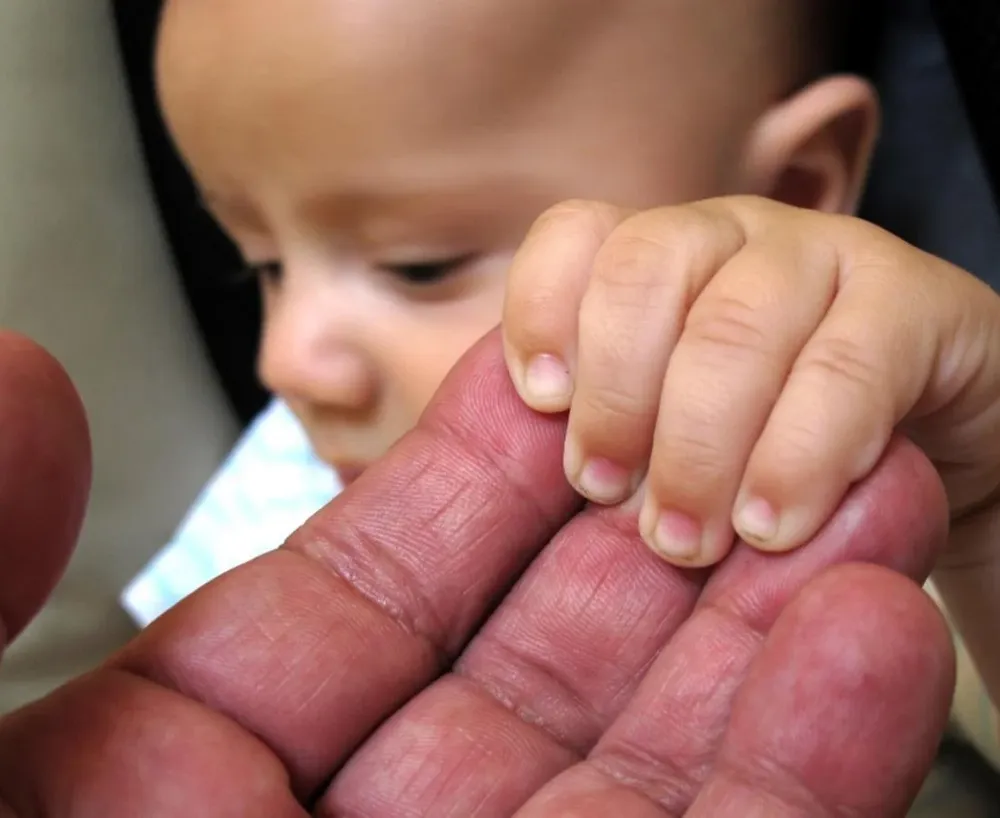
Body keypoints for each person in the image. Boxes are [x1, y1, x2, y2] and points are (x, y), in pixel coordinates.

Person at [0, 329, 959, 815]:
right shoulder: (260, 497)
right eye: (265, 268)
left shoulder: (795, 505)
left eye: (421, 266)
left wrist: (976, 482)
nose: (286, 354)